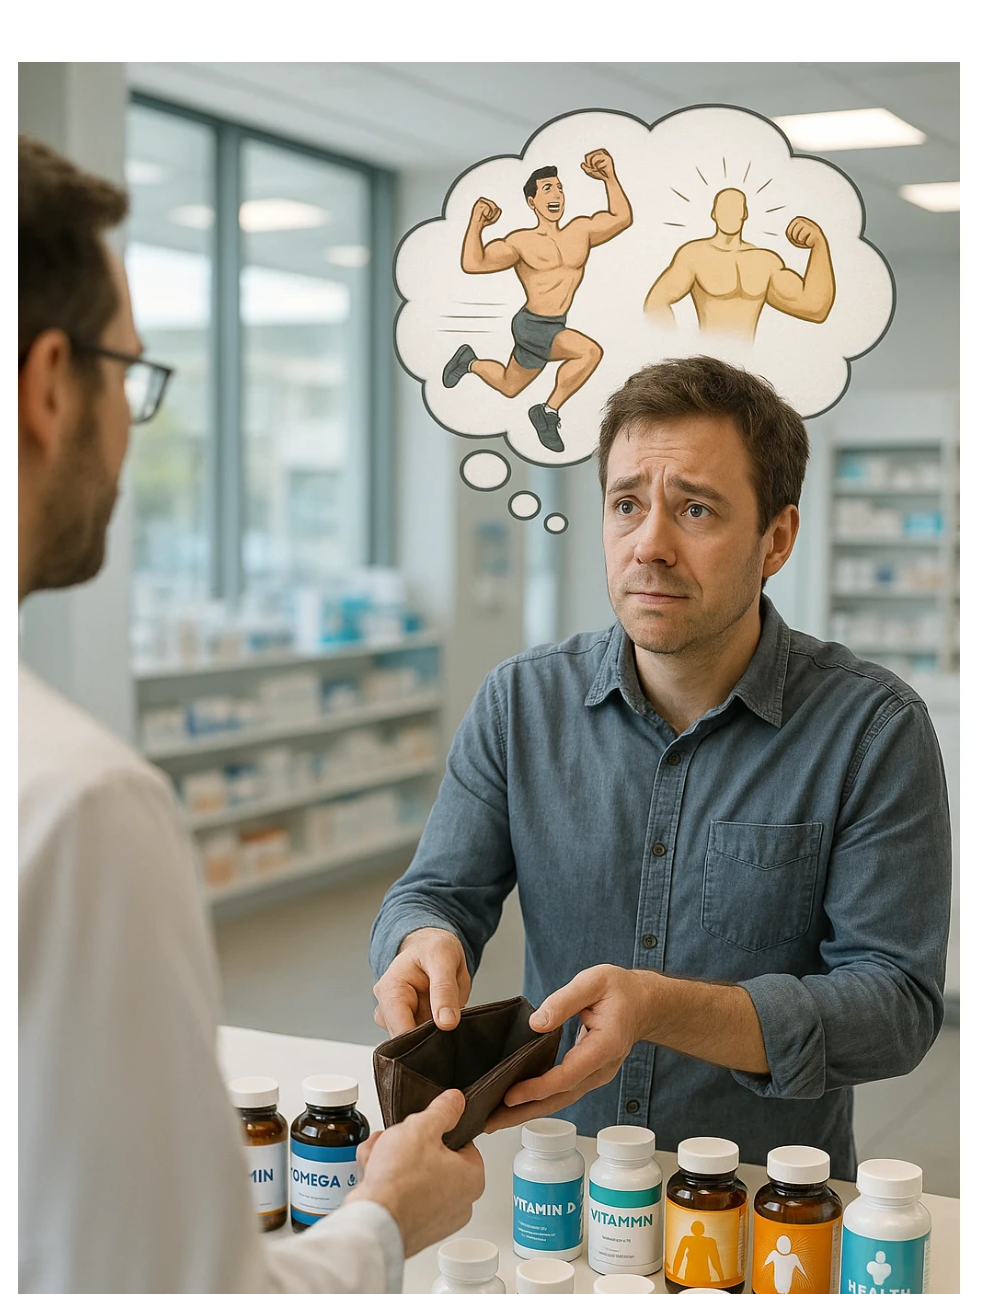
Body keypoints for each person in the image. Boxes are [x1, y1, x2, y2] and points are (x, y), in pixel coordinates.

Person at [18, 135, 484, 1294]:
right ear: (55, 384)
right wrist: (382, 1219)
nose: (128, 420)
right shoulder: (72, 807)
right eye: (131, 376)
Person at [371, 355, 951, 1181]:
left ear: (775, 539)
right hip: (556, 1173)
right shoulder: (519, 703)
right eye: (627, 505)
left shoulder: (871, 730)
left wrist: (663, 1010)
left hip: (759, 1193)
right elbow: (433, 893)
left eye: (696, 509)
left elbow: (895, 1005)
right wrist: (419, 939)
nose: (650, 545)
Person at [442, 150, 632, 452]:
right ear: (532, 202)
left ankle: (469, 362)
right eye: (547, 189)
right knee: (589, 353)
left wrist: (608, 177)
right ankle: (547, 411)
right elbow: (473, 263)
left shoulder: (580, 231)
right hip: (533, 324)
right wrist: (477, 223)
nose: (556, 194)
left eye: (559, 188)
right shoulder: (521, 241)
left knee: (509, 385)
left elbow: (621, 218)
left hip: (555, 323)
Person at [643, 187, 835, 339]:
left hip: (748, 374)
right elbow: (656, 303)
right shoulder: (694, 255)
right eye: (724, 208)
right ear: (713, 213)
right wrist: (671, 352)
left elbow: (814, 308)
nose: (730, 214)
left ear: (745, 213)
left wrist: (819, 244)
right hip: (705, 368)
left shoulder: (765, 261)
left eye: (736, 208)